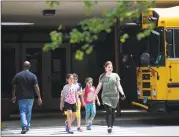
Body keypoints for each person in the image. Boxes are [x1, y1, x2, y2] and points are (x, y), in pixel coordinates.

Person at [11, 61, 42, 134]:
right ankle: (27, 126)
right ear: (30, 66)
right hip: (30, 97)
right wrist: (39, 97)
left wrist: (13, 95)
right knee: (29, 112)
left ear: (23, 66)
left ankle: (24, 126)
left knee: (22, 111)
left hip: (21, 96)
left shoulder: (18, 75)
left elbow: (14, 86)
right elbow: (36, 87)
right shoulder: (33, 76)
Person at [95, 61, 126, 133]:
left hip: (114, 97)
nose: (110, 68)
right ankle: (109, 126)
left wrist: (122, 93)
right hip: (105, 96)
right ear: (105, 68)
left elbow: (119, 85)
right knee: (108, 110)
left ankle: (111, 126)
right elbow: (99, 86)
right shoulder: (102, 76)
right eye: (108, 67)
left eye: (111, 67)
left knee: (112, 112)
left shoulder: (116, 75)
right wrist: (95, 95)